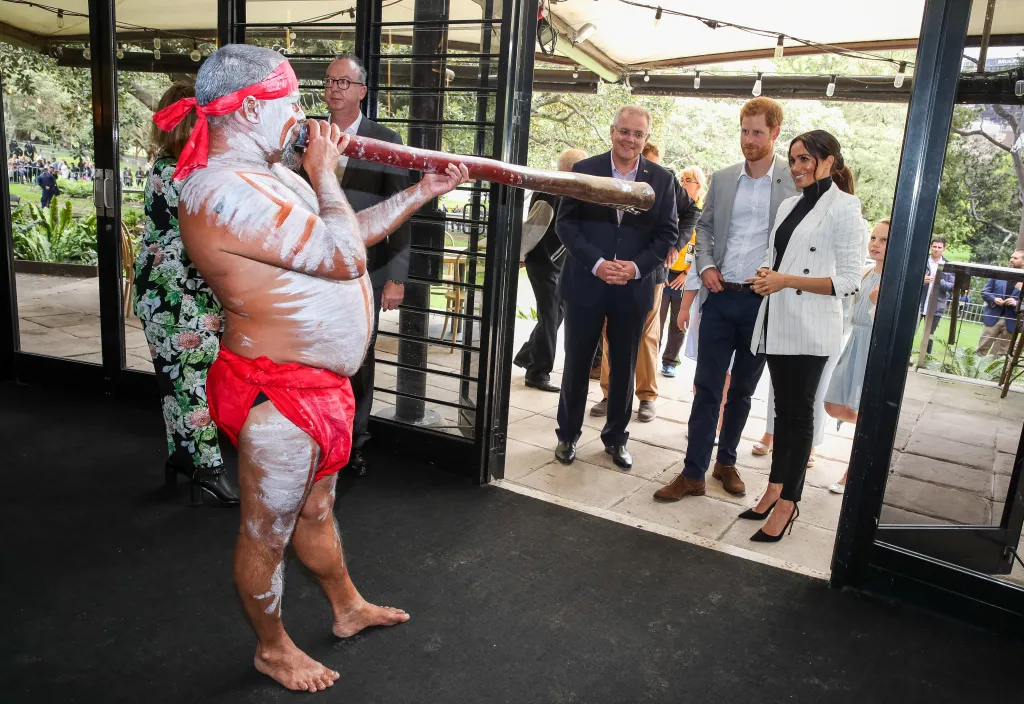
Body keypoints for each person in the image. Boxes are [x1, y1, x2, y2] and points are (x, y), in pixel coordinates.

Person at [162, 44, 469, 692]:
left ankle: (347, 607)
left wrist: (422, 190)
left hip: (318, 388)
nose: (304, 115)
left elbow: (348, 234)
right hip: (275, 394)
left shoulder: (273, 174)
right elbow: (340, 254)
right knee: (265, 532)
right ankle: (271, 649)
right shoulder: (218, 192)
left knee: (316, 510)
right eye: (290, 101)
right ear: (250, 109)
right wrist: (326, 171)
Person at [655, 97, 798, 503]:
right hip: (719, 297)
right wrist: (706, 266)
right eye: (744, 131)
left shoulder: (793, 181)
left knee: (743, 392)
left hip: (761, 303)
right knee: (706, 388)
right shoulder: (722, 178)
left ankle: (726, 463)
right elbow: (704, 229)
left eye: (757, 132)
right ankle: (692, 472)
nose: (748, 139)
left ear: (775, 133)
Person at [738, 130, 863, 542]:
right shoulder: (789, 204)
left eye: (805, 158)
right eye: (793, 159)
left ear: (829, 161)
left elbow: (849, 281)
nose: (796, 167)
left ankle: (790, 502)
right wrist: (765, 275)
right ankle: (774, 488)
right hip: (778, 319)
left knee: (798, 414)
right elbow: (775, 258)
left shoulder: (846, 207)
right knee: (782, 413)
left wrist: (785, 280)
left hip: (811, 326)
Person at [554, 105, 679, 470]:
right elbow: (566, 224)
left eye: (638, 134)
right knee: (577, 364)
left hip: (632, 287)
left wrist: (635, 267)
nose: (630, 139)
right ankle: (567, 436)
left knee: (624, 368)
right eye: (624, 131)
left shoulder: (662, 179)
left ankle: (616, 439)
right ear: (612, 131)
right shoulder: (584, 170)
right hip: (586, 283)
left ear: (646, 138)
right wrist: (597, 264)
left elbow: (668, 232)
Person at [133, 82, 239, 507]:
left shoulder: (169, 168)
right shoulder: (182, 174)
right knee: (193, 381)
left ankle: (182, 458)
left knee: (178, 381)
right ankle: (207, 468)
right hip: (178, 295)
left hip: (170, 290)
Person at [323, 52, 412, 477]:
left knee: (358, 358)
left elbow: (401, 211)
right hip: (314, 269)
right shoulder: (310, 134)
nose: (334, 88)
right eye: (329, 81)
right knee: (317, 354)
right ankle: (320, 434)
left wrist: (396, 277)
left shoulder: (385, 140)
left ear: (361, 91)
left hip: (366, 272)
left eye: (343, 82)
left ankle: (355, 442)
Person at [590, 142, 700, 422]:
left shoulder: (665, 180)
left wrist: (675, 243)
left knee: (647, 335)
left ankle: (647, 396)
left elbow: (691, 213)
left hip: (650, 271)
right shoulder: (610, 177)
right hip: (613, 269)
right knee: (610, 332)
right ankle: (609, 394)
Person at [513, 148, 587, 392]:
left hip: (556, 264)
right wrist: (520, 255)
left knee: (556, 313)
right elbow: (535, 227)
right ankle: (538, 373)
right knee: (551, 316)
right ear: (572, 168)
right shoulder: (550, 191)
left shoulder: (566, 190)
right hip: (544, 264)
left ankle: (527, 356)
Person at [824, 218, 890, 494]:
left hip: (873, 346)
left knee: (862, 408)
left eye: (884, 240)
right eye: (873, 238)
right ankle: (877, 433)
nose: (875, 244)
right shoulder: (866, 273)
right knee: (833, 404)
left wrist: (876, 304)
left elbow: (890, 326)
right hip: (855, 342)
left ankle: (852, 471)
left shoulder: (893, 281)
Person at [660, 165, 706, 377]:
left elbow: (703, 248)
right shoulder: (672, 205)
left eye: (689, 180)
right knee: (656, 321)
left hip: (686, 276)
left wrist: (687, 274)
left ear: (699, 186)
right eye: (682, 179)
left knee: (679, 322)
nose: (684, 183)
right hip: (664, 272)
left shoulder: (703, 212)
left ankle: (670, 361)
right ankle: (648, 358)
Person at [977, 250, 1024, 357]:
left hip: (1012, 321)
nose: (1011, 260)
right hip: (993, 318)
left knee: (1003, 355)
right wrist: (994, 299)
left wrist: (1017, 303)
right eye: (1011, 257)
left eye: (1015, 258)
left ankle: (998, 369)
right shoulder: (999, 273)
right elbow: (985, 292)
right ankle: (975, 368)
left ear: (1023, 262)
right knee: (981, 349)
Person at [918, 237, 954, 354]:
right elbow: (910, 278)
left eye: (939, 247)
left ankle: (925, 359)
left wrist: (939, 281)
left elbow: (953, 286)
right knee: (910, 332)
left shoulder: (949, 265)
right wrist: (921, 280)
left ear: (944, 249)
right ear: (930, 247)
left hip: (936, 306)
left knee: (929, 335)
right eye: (934, 247)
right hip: (918, 304)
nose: (936, 249)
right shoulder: (922, 261)